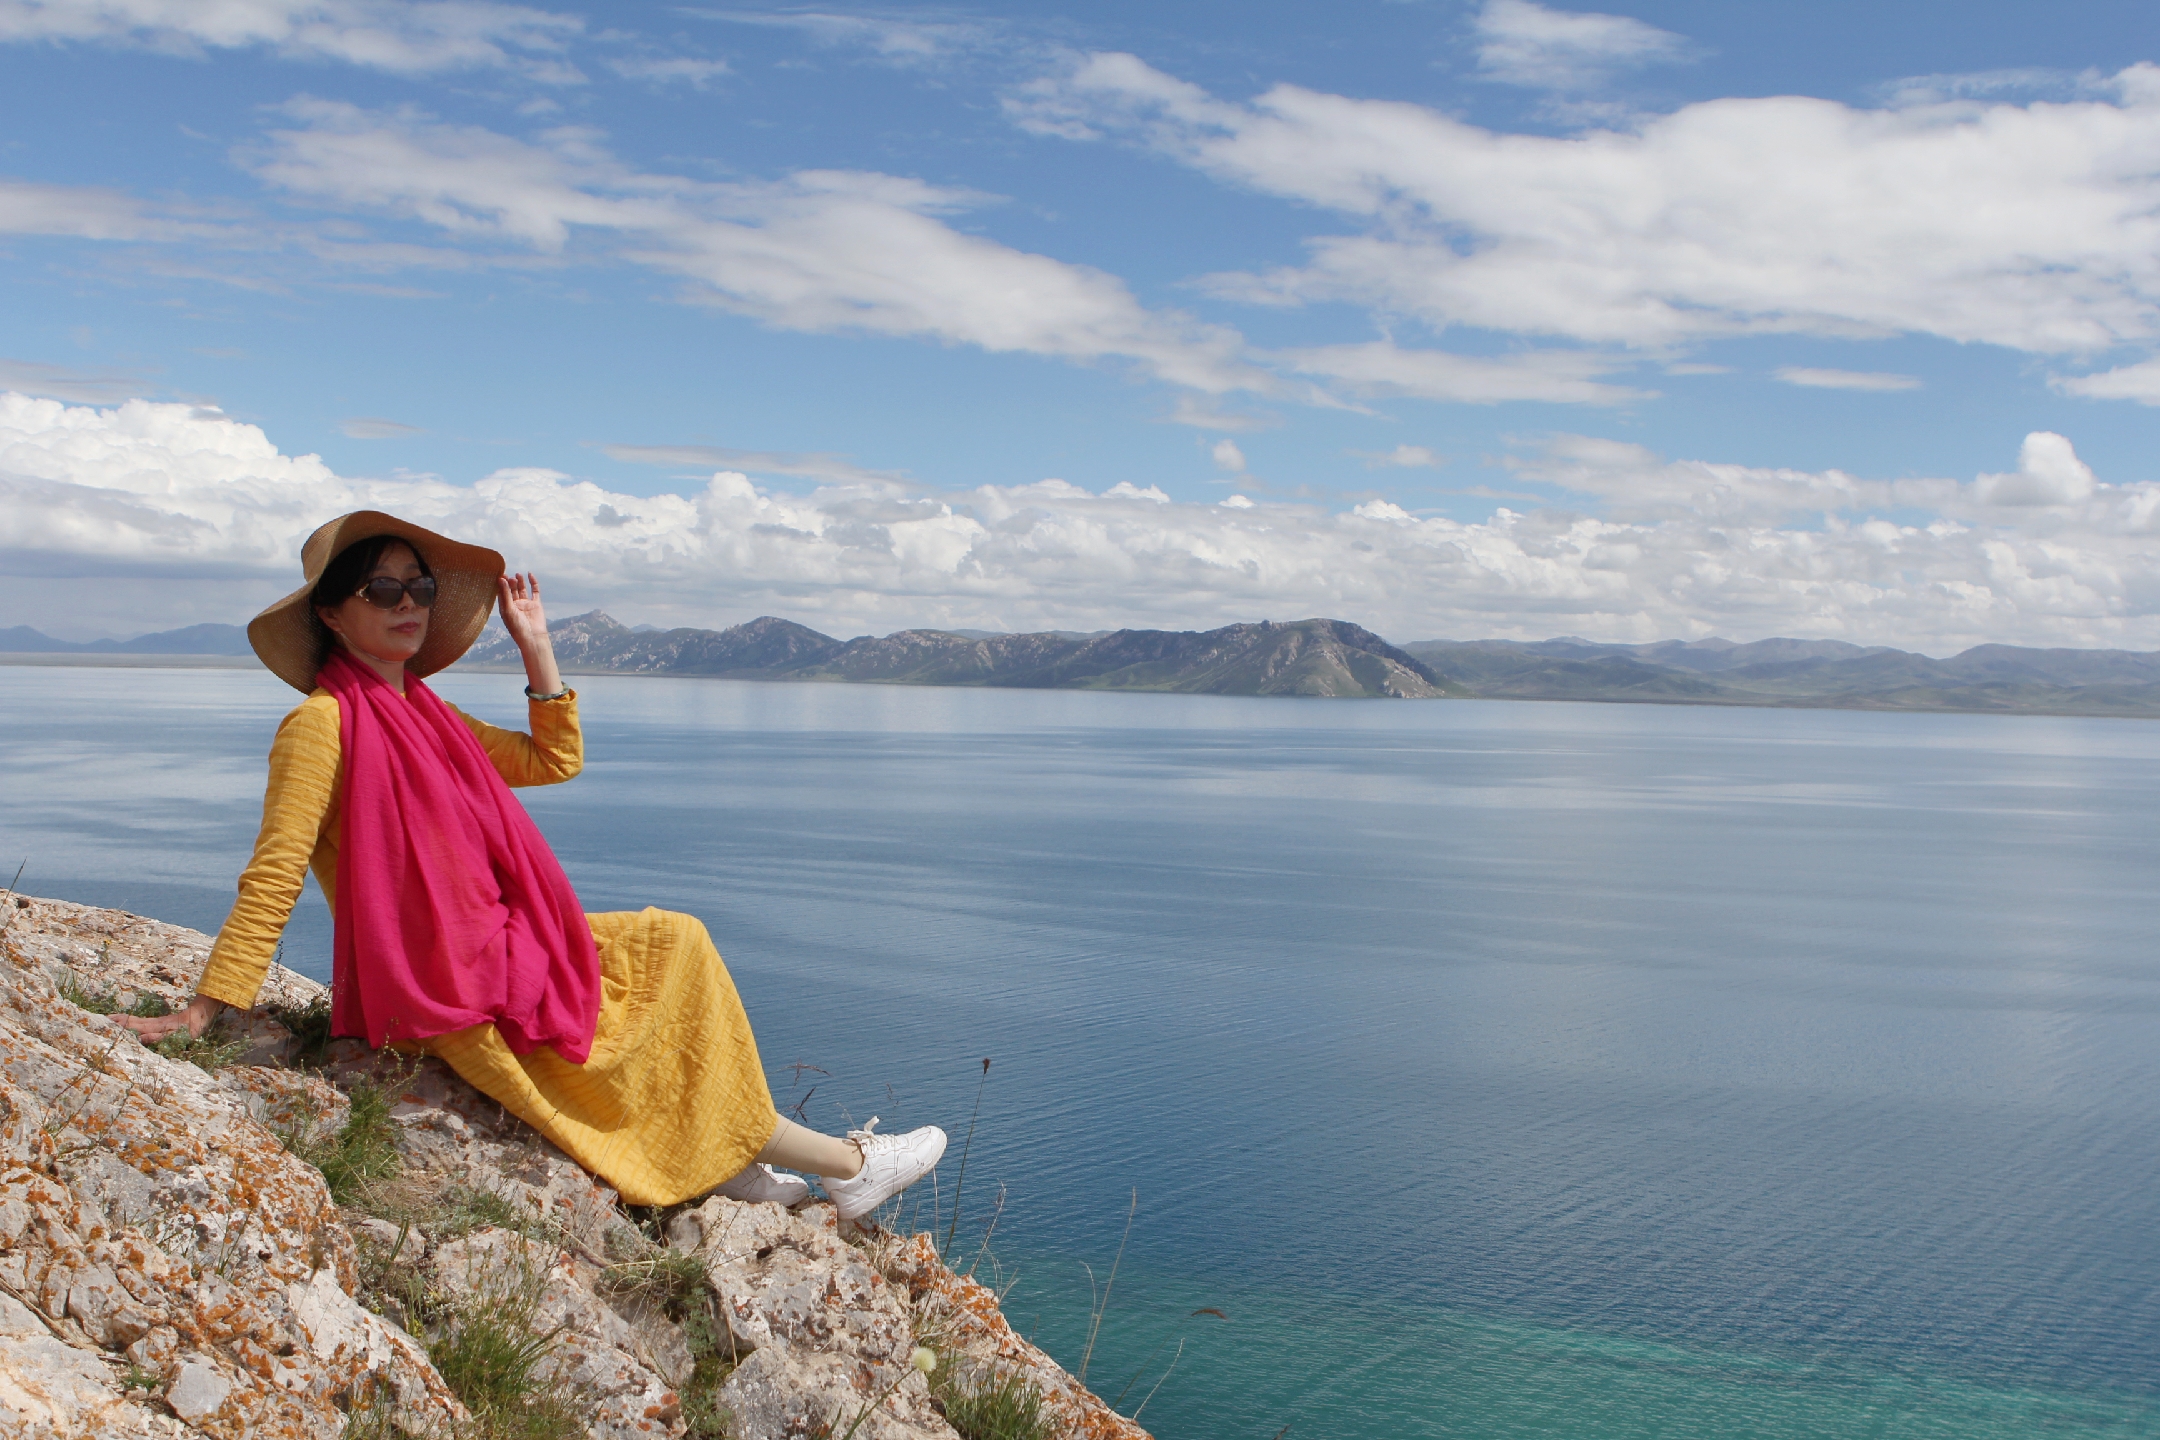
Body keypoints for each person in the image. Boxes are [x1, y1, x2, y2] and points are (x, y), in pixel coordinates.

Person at [117, 510, 944, 1222]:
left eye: (419, 587)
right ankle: (846, 1168)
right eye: (383, 589)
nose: (408, 604)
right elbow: (274, 874)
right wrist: (205, 1010)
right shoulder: (322, 726)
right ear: (331, 614)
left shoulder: (428, 715)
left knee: (675, 943)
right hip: (442, 980)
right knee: (630, 999)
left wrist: (536, 644)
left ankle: (738, 1163)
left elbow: (554, 760)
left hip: (484, 947)